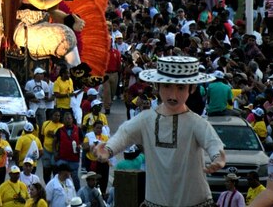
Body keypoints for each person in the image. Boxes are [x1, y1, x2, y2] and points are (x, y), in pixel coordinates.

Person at [94, 56, 226, 207]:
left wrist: (218, 158)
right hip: (156, 201)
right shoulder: (146, 119)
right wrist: (109, 149)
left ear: (192, 88)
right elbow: (124, 134)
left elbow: (212, 142)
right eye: (167, 86)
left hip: (195, 201)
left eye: (181, 88)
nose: (173, 95)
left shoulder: (196, 123)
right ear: (157, 85)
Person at [52, 111, 83, 190]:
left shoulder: (78, 129)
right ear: (63, 120)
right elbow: (54, 142)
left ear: (72, 119)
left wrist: (80, 146)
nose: (68, 120)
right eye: (66, 119)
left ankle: (78, 193)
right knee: (59, 176)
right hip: (62, 158)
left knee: (75, 177)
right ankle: (56, 190)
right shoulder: (59, 130)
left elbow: (83, 141)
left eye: (69, 118)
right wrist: (55, 152)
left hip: (74, 159)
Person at [41, 109, 64, 183]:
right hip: (46, 150)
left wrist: (54, 135)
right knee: (46, 170)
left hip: (56, 152)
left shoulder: (62, 126)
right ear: (51, 116)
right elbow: (42, 135)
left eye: (59, 116)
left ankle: (55, 184)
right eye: (55, 115)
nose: (57, 117)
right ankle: (47, 185)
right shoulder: (46, 124)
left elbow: (62, 138)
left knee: (55, 170)